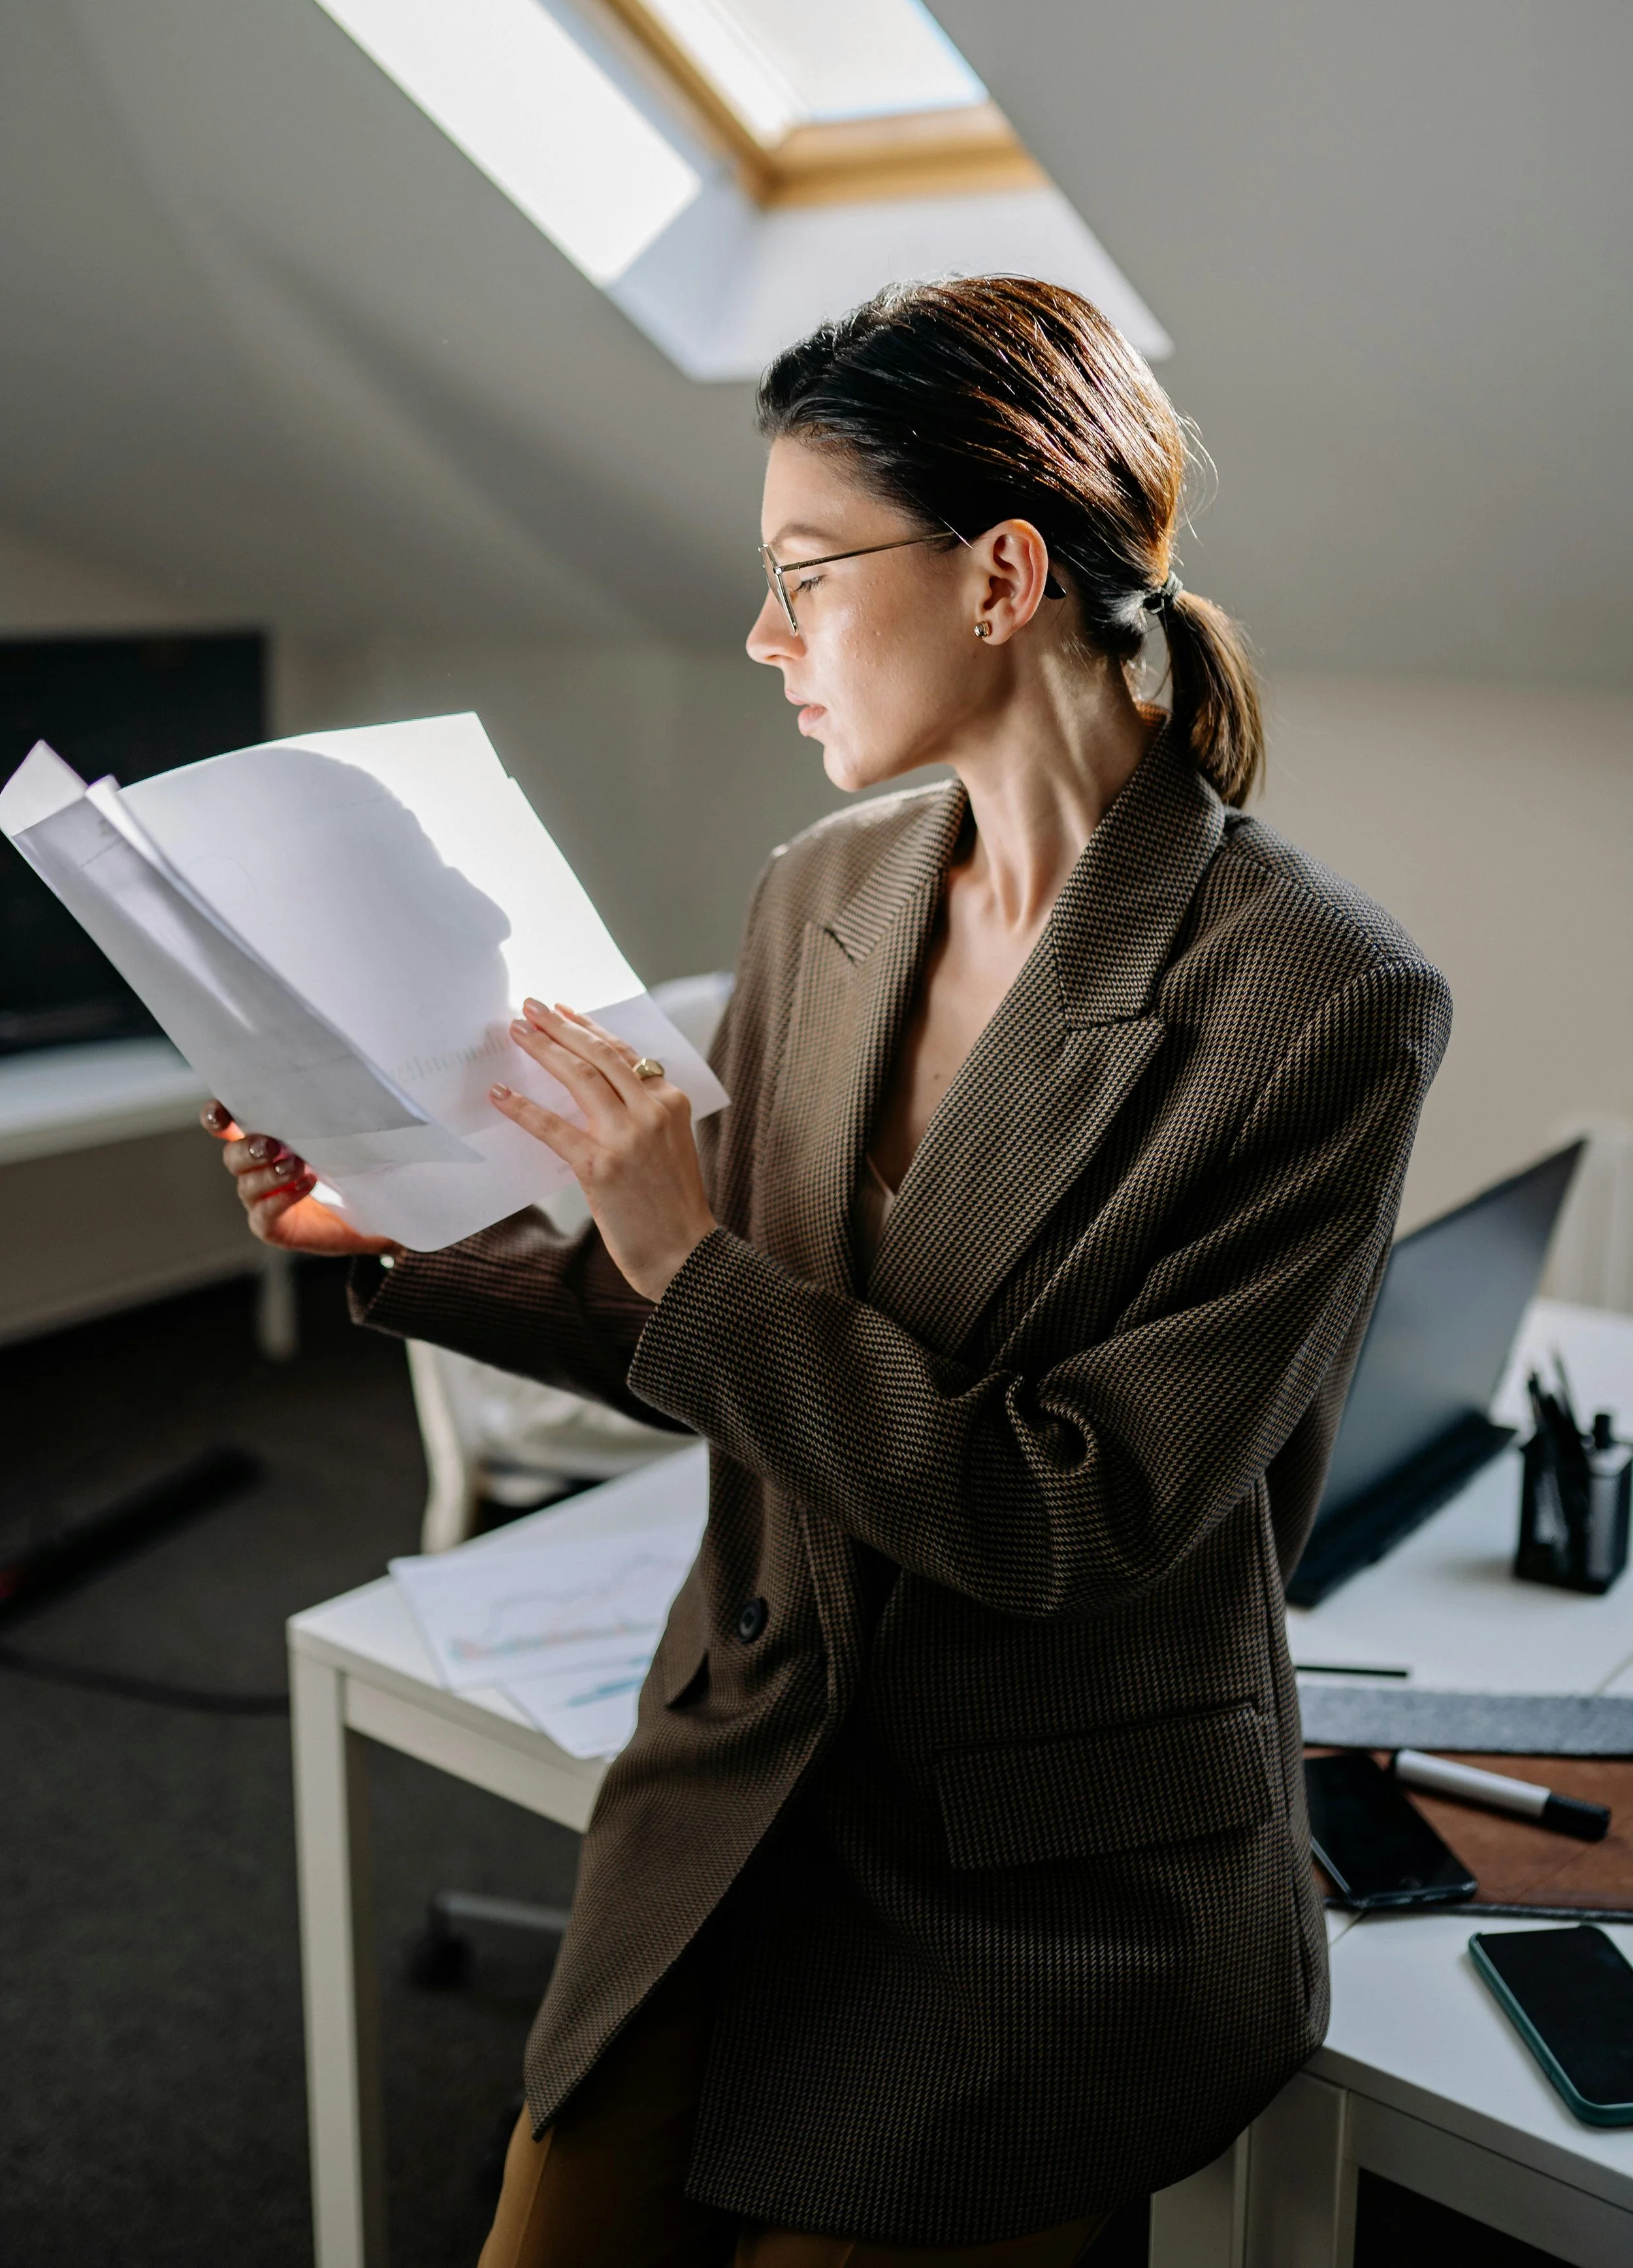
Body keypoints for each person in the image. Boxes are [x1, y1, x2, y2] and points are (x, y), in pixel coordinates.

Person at [206, 277, 1451, 2267]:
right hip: (733, 1772)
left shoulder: (1314, 999)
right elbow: (736, 1339)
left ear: (1001, 573)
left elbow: (1066, 1513)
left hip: (1034, 1884)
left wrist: (680, 1245)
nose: (763, 636)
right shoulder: (826, 889)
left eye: (802, 572)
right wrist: (410, 1230)